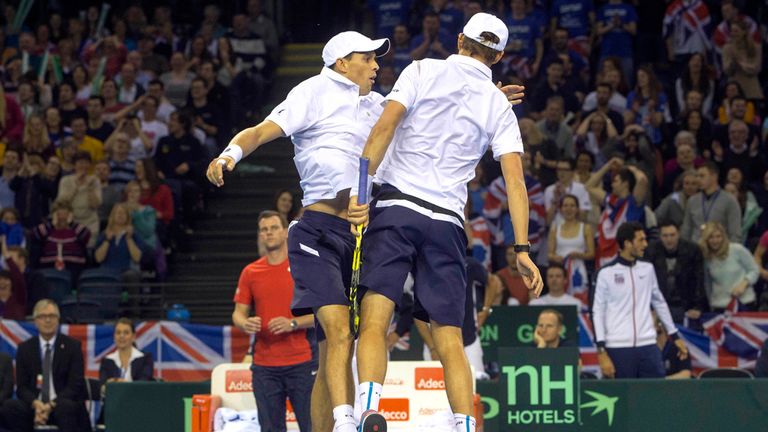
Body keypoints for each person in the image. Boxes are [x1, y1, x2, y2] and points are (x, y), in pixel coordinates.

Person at [347, 14, 542, 432]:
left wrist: (360, 195)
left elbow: (383, 128)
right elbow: (515, 183)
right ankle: (465, 425)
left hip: (397, 207)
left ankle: (368, 409)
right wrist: (521, 249)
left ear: (459, 40)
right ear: (500, 56)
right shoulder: (498, 106)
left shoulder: (421, 70)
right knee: (449, 335)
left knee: (376, 313)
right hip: (447, 225)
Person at [207, 30, 391, 432]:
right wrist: (228, 154)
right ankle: (346, 422)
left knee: (332, 352)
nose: (376, 66)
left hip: (363, 234)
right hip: (318, 233)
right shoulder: (312, 91)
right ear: (342, 62)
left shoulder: (379, 106)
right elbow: (258, 131)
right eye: (367, 58)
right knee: (339, 332)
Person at [232, 211, 315, 431]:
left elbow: (323, 315)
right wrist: (245, 323)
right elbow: (238, 313)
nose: (269, 233)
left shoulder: (303, 267)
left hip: (302, 363)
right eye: (264, 229)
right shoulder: (250, 272)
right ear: (260, 235)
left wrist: (293, 323)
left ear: (286, 231)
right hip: (264, 367)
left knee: (312, 426)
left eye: (274, 228)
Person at [592, 222, 688, 379]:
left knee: (655, 395)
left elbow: (659, 302)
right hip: (618, 346)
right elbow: (597, 312)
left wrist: (674, 336)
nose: (645, 244)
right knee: (622, 398)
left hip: (648, 344)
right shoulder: (606, 273)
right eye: (641, 240)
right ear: (627, 244)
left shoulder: (647, 269)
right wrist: (601, 350)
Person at [2, 299, 90, 432]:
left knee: (67, 407)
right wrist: (36, 404)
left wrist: (51, 405)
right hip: (35, 407)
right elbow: (22, 388)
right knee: (9, 407)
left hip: (61, 404)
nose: (47, 320)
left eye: (52, 316)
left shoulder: (72, 346)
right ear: (36, 321)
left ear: (58, 320)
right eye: (43, 317)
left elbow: (75, 385)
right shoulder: (25, 348)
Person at [586, 158, 648, 268]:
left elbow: (642, 180)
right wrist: (608, 165)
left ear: (625, 184)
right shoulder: (611, 200)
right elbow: (589, 186)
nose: (612, 184)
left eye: (616, 181)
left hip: (622, 254)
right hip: (603, 254)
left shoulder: (634, 202)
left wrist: (630, 168)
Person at [644, 222, 706, 323]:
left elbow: (699, 280)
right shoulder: (650, 251)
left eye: (672, 235)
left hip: (685, 305)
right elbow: (646, 283)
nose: (669, 239)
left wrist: (698, 307)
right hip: (659, 305)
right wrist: (650, 308)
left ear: (679, 234)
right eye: (665, 236)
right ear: (660, 236)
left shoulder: (693, 250)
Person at [699, 222, 759, 311]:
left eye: (718, 236)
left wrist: (744, 284)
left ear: (723, 237)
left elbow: (754, 270)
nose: (715, 240)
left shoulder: (737, 249)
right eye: (711, 237)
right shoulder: (707, 257)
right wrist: (710, 302)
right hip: (719, 306)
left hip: (744, 303)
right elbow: (708, 283)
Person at [547, 195, 594, 303]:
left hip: (578, 271)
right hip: (560, 271)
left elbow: (591, 253)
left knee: (580, 300)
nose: (568, 209)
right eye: (565, 206)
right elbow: (549, 254)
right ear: (561, 209)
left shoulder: (585, 228)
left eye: (572, 206)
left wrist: (578, 255)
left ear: (577, 209)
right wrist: (556, 257)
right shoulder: (555, 228)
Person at [680, 162, 742, 244]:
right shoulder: (692, 201)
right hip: (695, 250)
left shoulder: (730, 201)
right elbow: (686, 230)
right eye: (697, 176)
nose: (698, 179)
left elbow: (735, 234)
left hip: (719, 251)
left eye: (702, 176)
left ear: (714, 177)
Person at [56, 152, 101, 244]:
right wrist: (76, 186)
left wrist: (89, 188)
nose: (83, 166)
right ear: (74, 165)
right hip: (70, 221)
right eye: (80, 163)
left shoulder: (95, 180)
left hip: (90, 222)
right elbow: (62, 203)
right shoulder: (65, 180)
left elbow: (95, 205)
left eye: (86, 163)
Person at [99, 318, 154, 385]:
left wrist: (126, 385)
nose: (121, 336)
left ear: (133, 337)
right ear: (114, 337)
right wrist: (108, 385)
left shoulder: (145, 358)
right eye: (118, 333)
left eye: (126, 333)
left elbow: (144, 383)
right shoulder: (107, 360)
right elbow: (102, 386)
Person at [655, 314, 691, 379]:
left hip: (674, 387)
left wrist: (662, 381)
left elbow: (685, 374)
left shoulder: (679, 348)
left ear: (660, 326)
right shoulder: (645, 350)